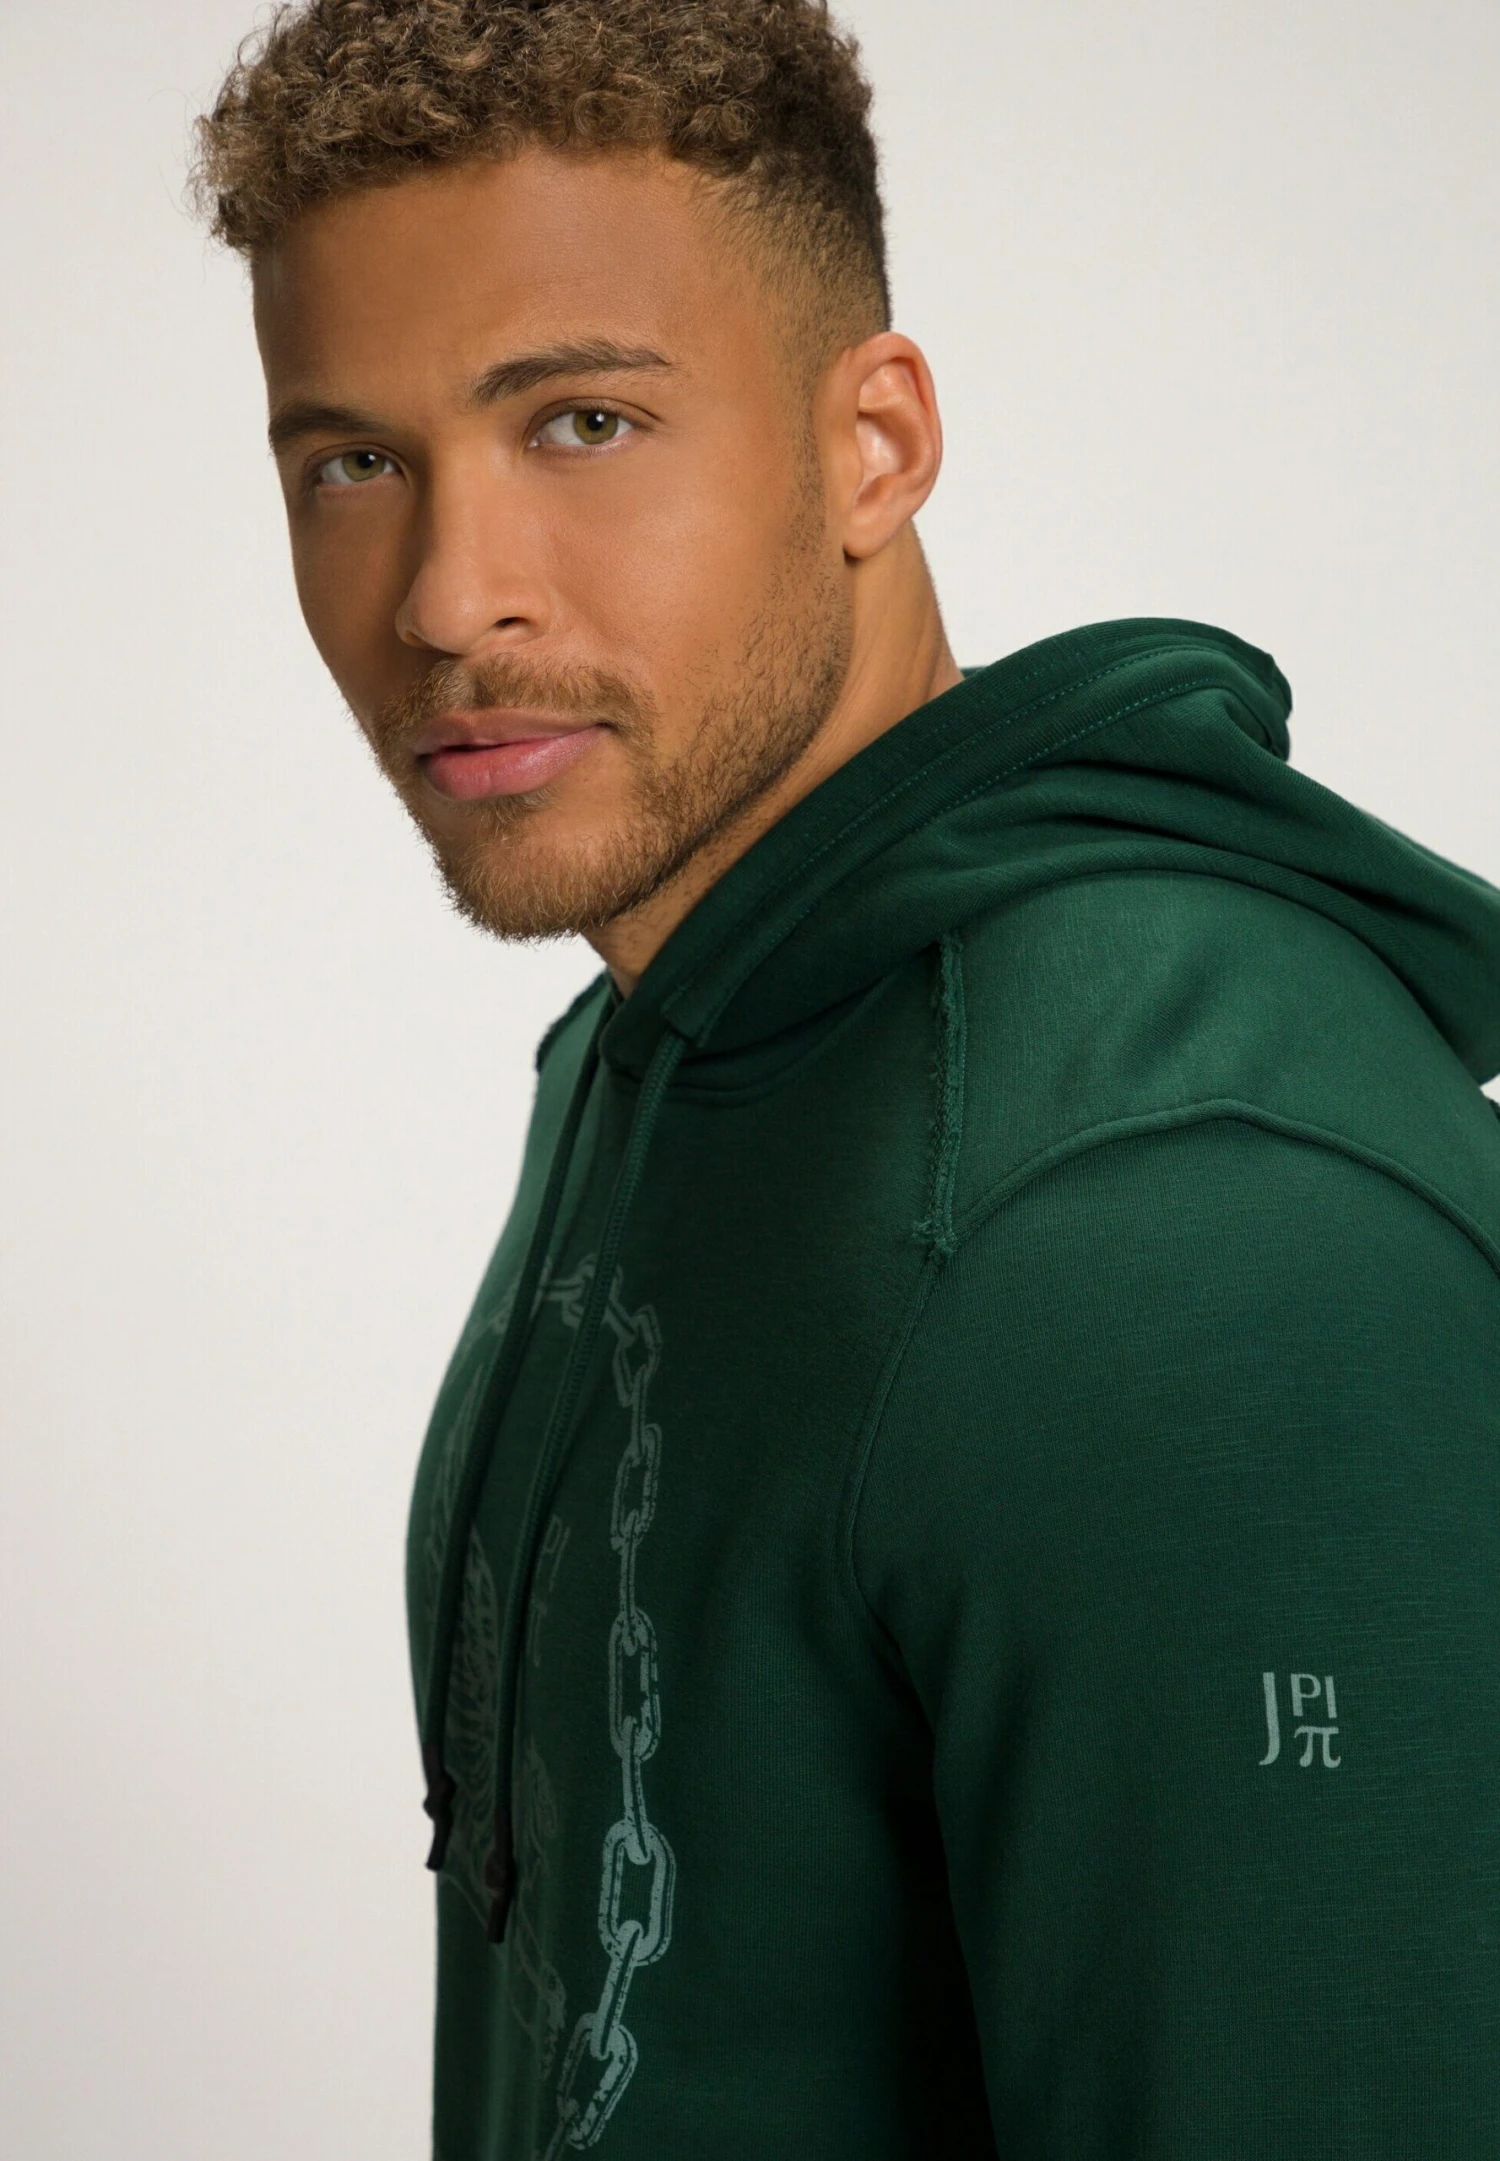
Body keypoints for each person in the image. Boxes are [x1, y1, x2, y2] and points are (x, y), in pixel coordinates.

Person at [193, 3, 1500, 2154]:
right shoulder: (660, 1041)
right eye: (351, 462)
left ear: (871, 445)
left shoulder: (1174, 1237)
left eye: (583, 423)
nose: (447, 597)